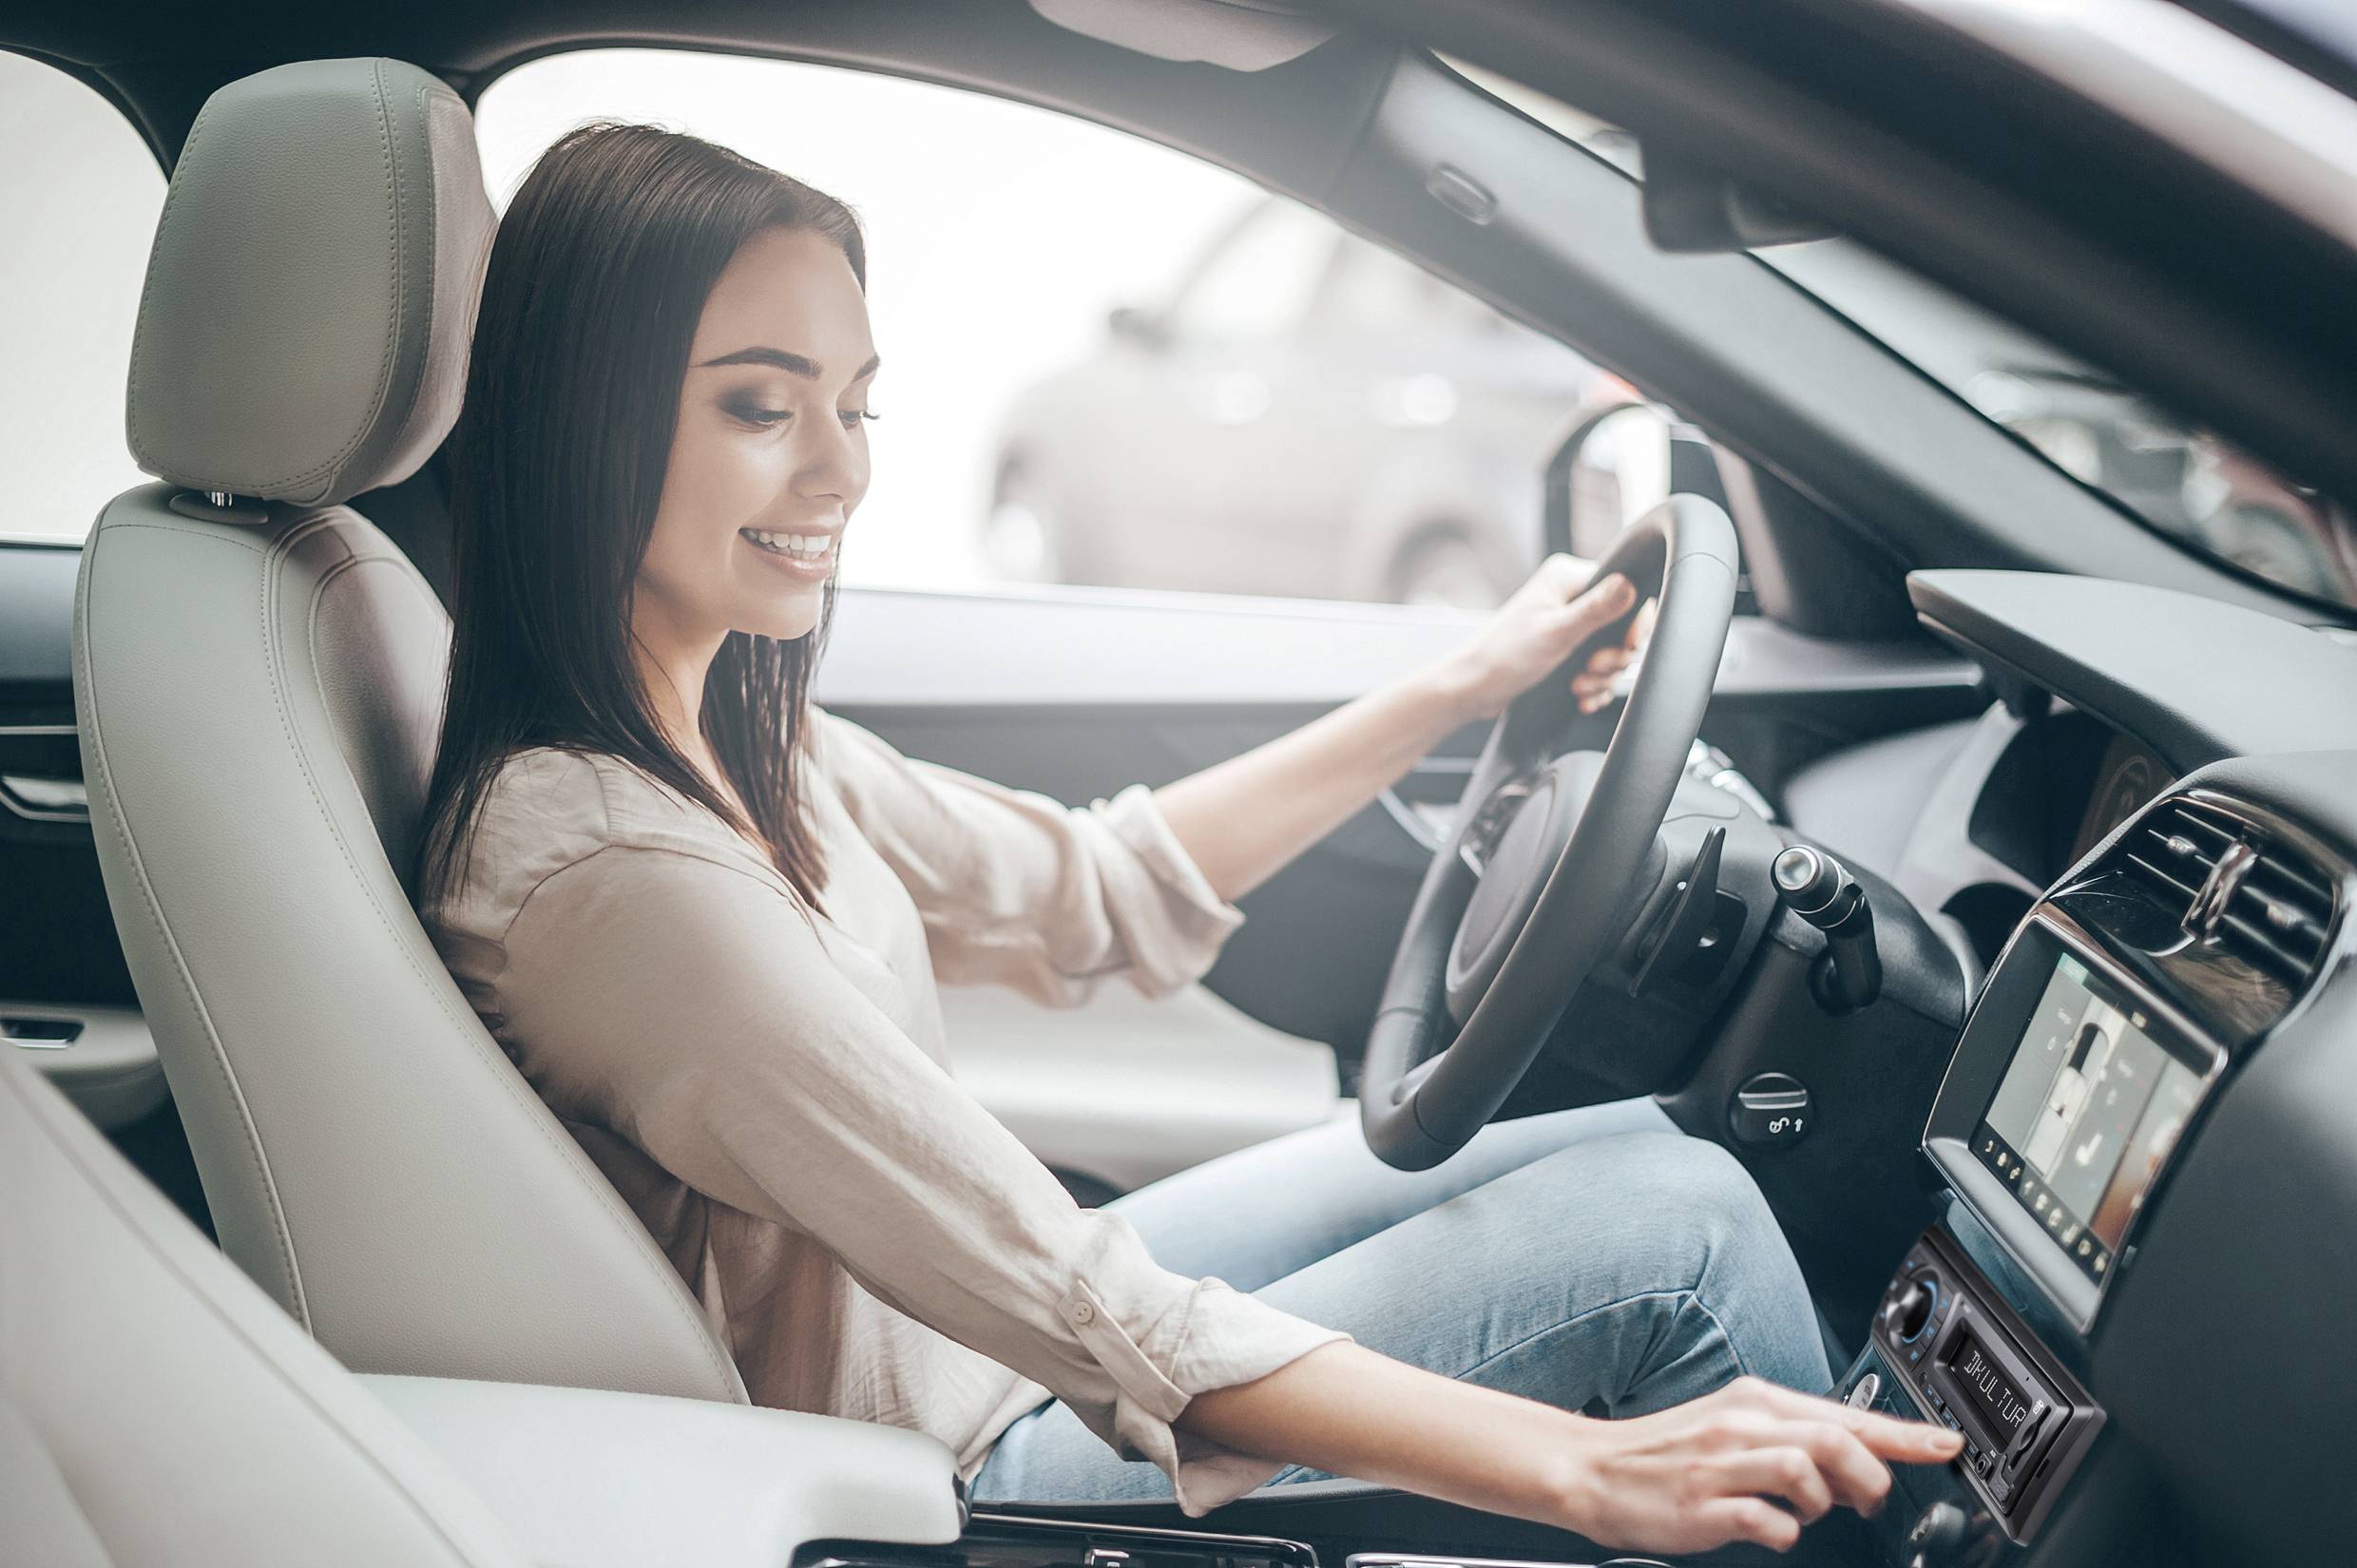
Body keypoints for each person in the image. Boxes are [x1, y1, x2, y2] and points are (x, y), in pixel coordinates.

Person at [413, 121, 1961, 1559]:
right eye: (763, 406)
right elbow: (1091, 1308)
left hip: (983, 1342)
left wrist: (1461, 684)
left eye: (856, 402)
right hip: (945, 1466)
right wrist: (1586, 1469)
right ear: (590, 422)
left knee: (1648, 1141)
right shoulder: (620, 881)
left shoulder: (725, 731)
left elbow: (1092, 889)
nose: (844, 468)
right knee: (1671, 1237)